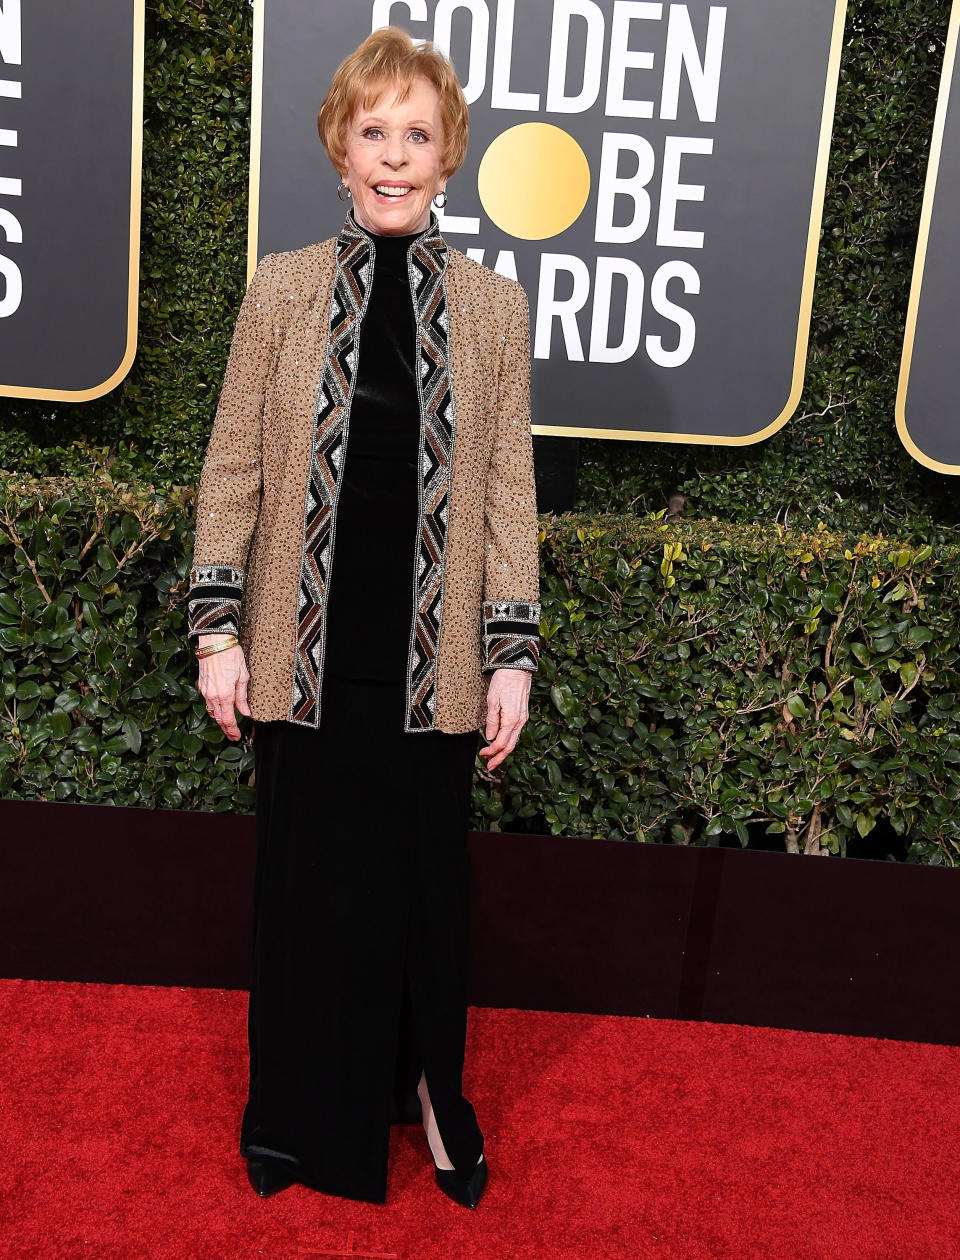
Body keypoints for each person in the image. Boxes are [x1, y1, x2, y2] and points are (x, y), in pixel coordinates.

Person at [186, 26, 541, 1210]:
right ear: (341, 148)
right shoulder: (281, 288)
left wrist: (510, 655)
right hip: (302, 661)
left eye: (418, 135)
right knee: (307, 897)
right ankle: (296, 1122)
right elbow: (232, 469)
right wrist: (218, 631)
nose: (395, 156)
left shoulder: (495, 309)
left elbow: (505, 492)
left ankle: (435, 1099)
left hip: (429, 668)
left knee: (425, 899)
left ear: (450, 160)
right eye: (373, 131)